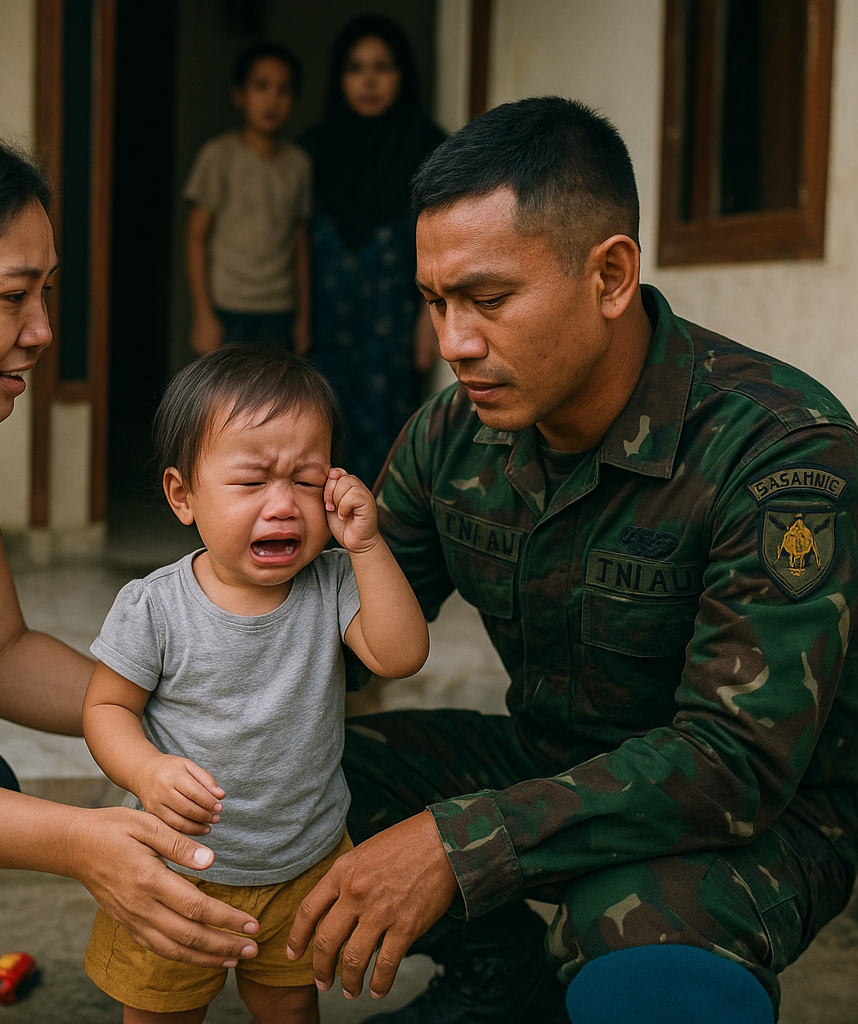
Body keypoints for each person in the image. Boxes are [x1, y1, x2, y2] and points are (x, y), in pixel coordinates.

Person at [286, 98, 858, 1024]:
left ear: (611, 276)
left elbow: (737, 763)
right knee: (282, 779)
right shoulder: (452, 434)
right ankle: (501, 975)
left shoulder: (779, 451)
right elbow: (332, 634)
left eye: (489, 300)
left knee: (630, 944)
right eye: (435, 302)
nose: (455, 343)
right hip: (550, 761)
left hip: (758, 815)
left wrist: (461, 846)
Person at [0, 112, 265, 1024]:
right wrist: (78, 840)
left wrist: (182, 711)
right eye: (11, 296)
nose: (40, 330)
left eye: (47, 293)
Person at [82, 346, 429, 1023]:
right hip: (177, 867)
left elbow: (401, 656)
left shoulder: (332, 582)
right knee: (161, 1014)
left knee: (289, 1007)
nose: (283, 505)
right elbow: (105, 707)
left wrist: (366, 546)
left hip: (304, 862)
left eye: (306, 480)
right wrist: (147, 770)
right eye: (250, 481)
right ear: (183, 495)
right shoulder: (155, 607)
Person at [300, 14, 445, 485]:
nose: (368, 81)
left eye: (382, 67)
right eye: (356, 68)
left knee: (389, 438)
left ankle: (378, 531)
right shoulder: (312, 151)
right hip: (323, 326)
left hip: (392, 329)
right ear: (338, 77)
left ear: (402, 75)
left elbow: (443, 242)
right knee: (316, 429)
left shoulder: (430, 149)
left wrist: (429, 320)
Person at [184, 42, 311, 356]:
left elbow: (300, 244)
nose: (272, 100)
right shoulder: (218, 156)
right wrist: (203, 314)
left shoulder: (299, 163)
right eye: (261, 86)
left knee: (277, 386)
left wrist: (303, 318)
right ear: (239, 95)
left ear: (294, 101)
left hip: (279, 307)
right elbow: (196, 238)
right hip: (228, 305)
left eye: (283, 90)